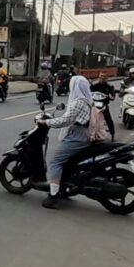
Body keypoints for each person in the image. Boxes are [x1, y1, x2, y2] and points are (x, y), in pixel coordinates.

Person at [38, 75, 94, 209]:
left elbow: (65, 120)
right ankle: (63, 188)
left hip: (77, 136)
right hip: (84, 134)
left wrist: (46, 122)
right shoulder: (87, 101)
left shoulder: (78, 102)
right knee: (67, 162)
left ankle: (53, 196)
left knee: (56, 162)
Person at [91, 72, 116, 141]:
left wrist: (111, 97)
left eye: (104, 78)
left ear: (106, 79)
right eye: (101, 78)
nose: (102, 79)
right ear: (99, 78)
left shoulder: (109, 87)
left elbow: (112, 95)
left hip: (103, 104)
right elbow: (89, 92)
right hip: (94, 104)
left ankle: (112, 133)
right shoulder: (94, 86)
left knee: (108, 119)